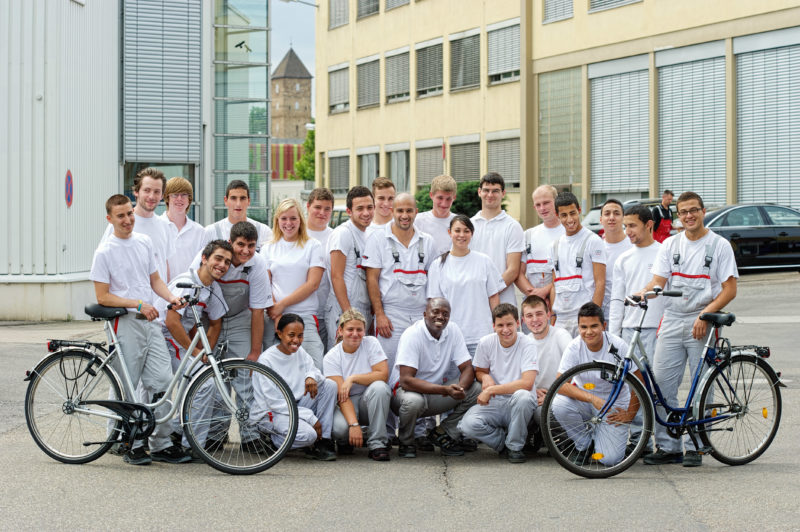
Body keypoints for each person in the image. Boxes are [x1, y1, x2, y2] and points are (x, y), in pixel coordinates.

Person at [90, 194, 187, 466]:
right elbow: (102, 296)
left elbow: (155, 279)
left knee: (164, 383)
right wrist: (138, 304)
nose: (127, 220)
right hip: (125, 322)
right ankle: (130, 443)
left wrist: (171, 298)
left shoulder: (144, 242)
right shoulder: (105, 252)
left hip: (150, 321)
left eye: (129, 214)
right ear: (109, 219)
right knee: (129, 387)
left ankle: (161, 443)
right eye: (120, 216)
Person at [642, 191, 738, 468]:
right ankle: (670, 446)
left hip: (703, 321)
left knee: (701, 386)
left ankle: (698, 445)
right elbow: (658, 281)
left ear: (703, 211)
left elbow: (729, 289)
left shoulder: (719, 246)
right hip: (672, 320)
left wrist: (706, 314)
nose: (688, 216)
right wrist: (641, 293)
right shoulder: (670, 245)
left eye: (693, 210)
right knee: (661, 384)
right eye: (683, 212)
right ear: (678, 216)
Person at [157, 240, 232, 451]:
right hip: (164, 341)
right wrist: (197, 351)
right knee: (203, 384)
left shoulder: (212, 287)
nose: (222, 265)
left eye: (227, 262)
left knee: (206, 382)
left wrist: (205, 351)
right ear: (204, 258)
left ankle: (178, 430)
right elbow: (171, 322)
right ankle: (193, 445)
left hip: (181, 344)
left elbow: (216, 322)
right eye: (218, 258)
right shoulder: (186, 283)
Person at [390, 298, 481, 458]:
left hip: (435, 394)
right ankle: (406, 442)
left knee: (477, 389)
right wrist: (444, 390)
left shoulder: (452, 330)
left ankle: (443, 432)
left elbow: (467, 367)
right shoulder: (412, 334)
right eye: (436, 312)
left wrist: (460, 388)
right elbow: (406, 380)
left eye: (445, 314)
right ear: (425, 314)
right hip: (404, 394)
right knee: (414, 401)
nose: (441, 317)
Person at [608, 205, 665, 454]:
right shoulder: (623, 259)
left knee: (659, 386)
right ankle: (638, 440)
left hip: (656, 328)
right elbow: (616, 300)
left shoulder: (663, 253)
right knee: (633, 386)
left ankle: (663, 441)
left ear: (649, 225)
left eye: (632, 226)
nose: (627, 231)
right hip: (630, 329)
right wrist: (613, 334)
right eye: (625, 226)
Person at [549, 303, 633, 467]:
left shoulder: (619, 345)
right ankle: (584, 445)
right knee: (558, 404)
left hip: (614, 405)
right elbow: (560, 384)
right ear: (578, 327)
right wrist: (592, 398)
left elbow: (639, 383)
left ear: (604, 325)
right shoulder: (574, 347)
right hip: (586, 402)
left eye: (594, 326)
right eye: (583, 327)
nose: (588, 332)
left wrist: (629, 414)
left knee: (609, 460)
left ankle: (600, 438)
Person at [458, 304, 539, 463]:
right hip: (496, 402)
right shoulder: (486, 342)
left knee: (523, 396)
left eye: (509, 324)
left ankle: (515, 447)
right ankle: (504, 443)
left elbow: (527, 383)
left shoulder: (528, 343)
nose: (505, 329)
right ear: (493, 326)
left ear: (517, 323)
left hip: (519, 403)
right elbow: (480, 371)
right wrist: (485, 377)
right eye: (500, 325)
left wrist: (491, 389)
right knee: (467, 425)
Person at [254, 314, 337, 460]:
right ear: (279, 334)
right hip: (273, 413)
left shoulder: (300, 352)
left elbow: (315, 371)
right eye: (291, 335)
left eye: (300, 336)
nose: (296, 341)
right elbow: (273, 403)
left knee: (329, 385)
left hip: (296, 406)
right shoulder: (266, 360)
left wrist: (310, 376)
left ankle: (323, 441)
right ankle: (274, 441)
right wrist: (310, 418)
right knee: (308, 435)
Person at [260, 198, 325, 368]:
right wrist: (277, 313)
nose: (288, 223)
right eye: (284, 218)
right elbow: (265, 284)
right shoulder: (268, 248)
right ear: (277, 221)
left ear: (300, 220)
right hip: (273, 317)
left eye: (293, 218)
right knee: (272, 369)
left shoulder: (313, 246)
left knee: (315, 367)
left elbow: (313, 284)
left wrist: (282, 305)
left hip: (304, 315)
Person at [427, 215, 505, 357]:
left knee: (483, 377)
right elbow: (434, 304)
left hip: (482, 336)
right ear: (449, 232)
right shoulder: (438, 265)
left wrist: (497, 326)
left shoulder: (484, 261)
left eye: (466, 231)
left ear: (472, 233)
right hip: (451, 337)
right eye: (457, 231)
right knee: (454, 379)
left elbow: (493, 297)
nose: (461, 235)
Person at [195, 221, 271, 363]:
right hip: (208, 319)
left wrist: (255, 353)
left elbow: (258, 310)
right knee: (205, 368)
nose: (246, 251)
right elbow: (194, 293)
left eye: (251, 246)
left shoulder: (258, 263)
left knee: (244, 369)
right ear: (230, 242)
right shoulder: (211, 255)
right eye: (241, 244)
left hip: (239, 319)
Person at [324, 309, 392, 461]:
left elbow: (383, 375)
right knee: (340, 429)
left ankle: (377, 443)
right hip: (346, 402)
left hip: (369, 400)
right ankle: (347, 439)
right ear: (340, 331)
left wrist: (353, 378)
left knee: (380, 387)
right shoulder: (331, 357)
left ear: (364, 331)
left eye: (359, 329)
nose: (355, 334)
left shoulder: (371, 343)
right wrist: (353, 424)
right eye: (350, 329)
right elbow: (342, 397)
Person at [550, 191, 606, 337]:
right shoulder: (555, 245)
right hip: (561, 319)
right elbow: (554, 284)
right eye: (564, 215)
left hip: (584, 318)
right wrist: (553, 315)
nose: (569, 219)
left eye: (572, 213)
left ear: (579, 210)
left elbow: (600, 282)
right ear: (557, 216)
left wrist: (594, 318)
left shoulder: (593, 241)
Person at [102, 167, 173, 283]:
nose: (151, 196)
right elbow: (105, 264)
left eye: (157, 192)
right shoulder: (120, 224)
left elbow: (165, 265)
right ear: (136, 192)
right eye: (147, 190)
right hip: (131, 299)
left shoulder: (165, 226)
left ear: (162, 196)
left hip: (160, 300)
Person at [325, 186, 375, 347]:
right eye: (360, 208)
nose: (366, 213)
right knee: (340, 359)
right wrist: (348, 314)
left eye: (369, 207)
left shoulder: (368, 234)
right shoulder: (343, 234)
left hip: (361, 309)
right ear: (349, 211)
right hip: (343, 309)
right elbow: (336, 276)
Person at [470, 172, 524, 307]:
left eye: (495, 191)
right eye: (486, 190)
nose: (490, 195)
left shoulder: (513, 226)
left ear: (503, 193)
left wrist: (489, 293)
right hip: (474, 301)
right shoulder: (469, 226)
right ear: (479, 192)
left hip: (504, 303)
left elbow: (513, 270)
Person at [515, 185, 565, 310]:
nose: (542, 208)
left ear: (557, 202)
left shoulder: (567, 234)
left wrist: (545, 291)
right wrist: (534, 296)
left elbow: (570, 272)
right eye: (538, 205)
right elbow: (519, 273)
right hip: (533, 305)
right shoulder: (528, 235)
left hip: (562, 303)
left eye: (546, 203)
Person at [521, 295, 571, 417]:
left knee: (542, 415)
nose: (535, 319)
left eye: (539, 314)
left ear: (548, 314)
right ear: (523, 320)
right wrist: (533, 391)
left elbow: (574, 372)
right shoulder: (524, 342)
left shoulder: (561, 335)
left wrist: (552, 395)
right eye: (529, 316)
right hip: (536, 397)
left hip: (561, 396)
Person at [306, 187, 336, 353]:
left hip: (326, 311)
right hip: (302, 312)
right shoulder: (297, 234)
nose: (322, 213)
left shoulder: (335, 236)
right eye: (317, 207)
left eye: (327, 209)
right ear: (308, 206)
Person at [160, 177, 206, 282]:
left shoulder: (199, 231)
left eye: (184, 195)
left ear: (189, 199)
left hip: (190, 292)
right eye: (175, 195)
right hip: (162, 293)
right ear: (167, 198)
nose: (179, 199)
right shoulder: (157, 227)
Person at [204, 180, 271, 251]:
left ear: (249, 201)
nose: (238, 204)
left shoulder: (264, 232)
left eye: (242, 198)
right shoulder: (211, 232)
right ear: (225, 200)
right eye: (233, 198)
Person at [599, 199, 632, 322]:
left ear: (623, 218)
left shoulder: (633, 245)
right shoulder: (596, 249)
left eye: (616, 213)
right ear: (601, 219)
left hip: (629, 315)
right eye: (607, 214)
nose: (612, 217)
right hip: (604, 316)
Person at [414, 174, 457, 256]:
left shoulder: (459, 223)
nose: (444, 203)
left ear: (454, 197)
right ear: (431, 195)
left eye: (448, 199)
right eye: (440, 198)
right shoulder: (417, 221)